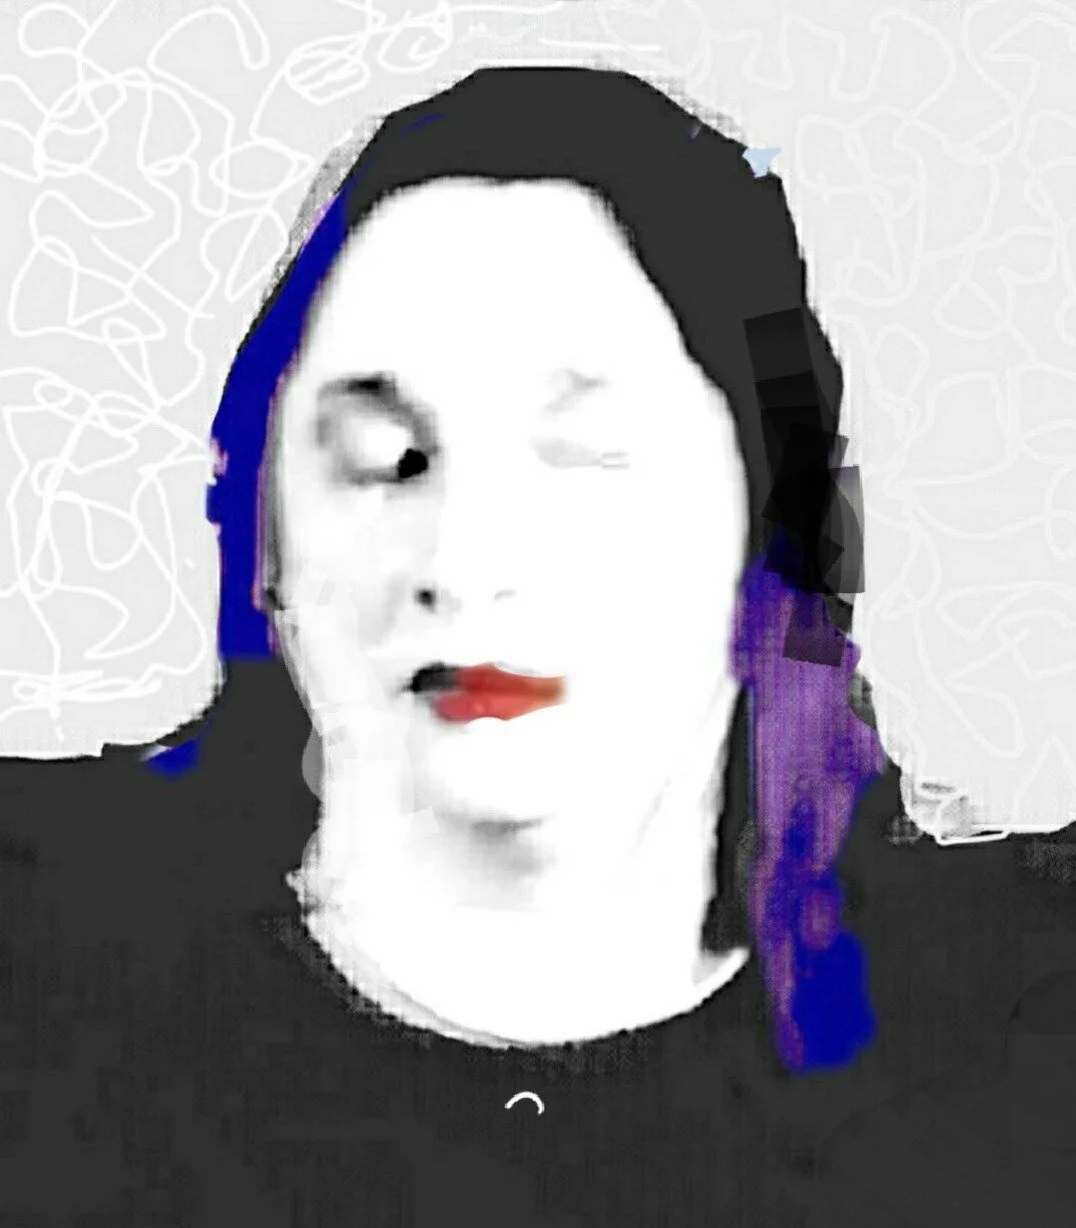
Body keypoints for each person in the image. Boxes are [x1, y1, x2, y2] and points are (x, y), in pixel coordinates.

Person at [1, 66, 1069, 1228]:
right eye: (381, 458)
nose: (464, 558)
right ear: (260, 528)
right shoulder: (40, 964)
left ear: (790, 526)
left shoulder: (1024, 1031)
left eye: (586, 453)